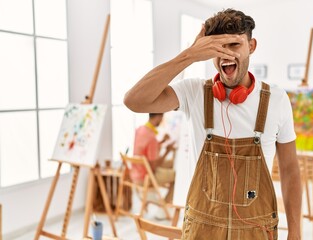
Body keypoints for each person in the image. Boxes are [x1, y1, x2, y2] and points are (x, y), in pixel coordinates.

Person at [124, 8, 301, 240]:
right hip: (202, 230)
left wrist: (295, 233)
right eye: (217, 47)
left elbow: (290, 169)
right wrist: (188, 55)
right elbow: (134, 101)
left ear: (252, 46)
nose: (226, 55)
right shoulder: (193, 92)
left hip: (256, 231)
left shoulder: (277, 100)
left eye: (234, 45)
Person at [130, 113, 176, 204]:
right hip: (146, 176)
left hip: (136, 172)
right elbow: (154, 166)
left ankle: (163, 204)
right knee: (176, 176)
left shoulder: (140, 129)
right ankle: (164, 205)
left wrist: (162, 142)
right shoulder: (151, 137)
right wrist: (167, 151)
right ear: (158, 117)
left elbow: (145, 149)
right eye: (162, 117)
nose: (162, 120)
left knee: (172, 163)